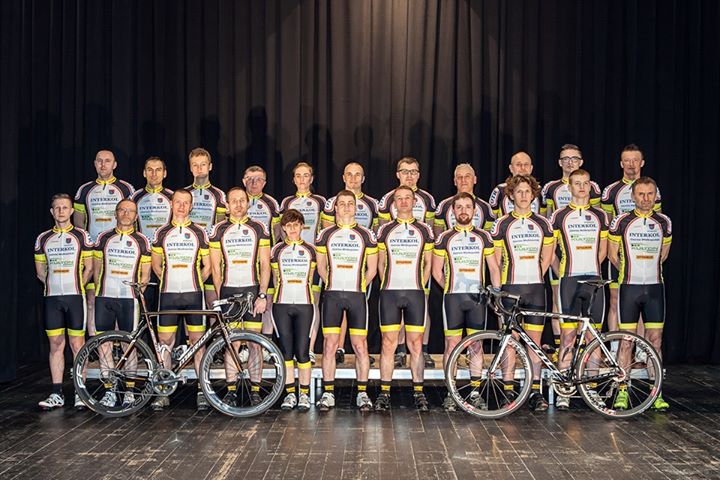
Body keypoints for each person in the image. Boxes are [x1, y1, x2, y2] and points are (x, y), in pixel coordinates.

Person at [491, 175, 555, 412]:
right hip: (511, 289)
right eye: (519, 191)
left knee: (534, 343)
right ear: (511, 195)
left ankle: (535, 391)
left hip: (535, 288)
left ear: (534, 194)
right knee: (510, 342)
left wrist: (535, 276)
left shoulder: (543, 223)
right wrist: (499, 291)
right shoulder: (502, 224)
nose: (524, 195)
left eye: (528, 191)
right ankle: (508, 390)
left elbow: (547, 258)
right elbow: (496, 262)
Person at [432, 192, 501, 411]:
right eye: (459, 207)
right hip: (453, 298)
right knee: (451, 345)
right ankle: (451, 393)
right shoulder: (444, 238)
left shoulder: (484, 237)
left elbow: (494, 268)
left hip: (477, 299)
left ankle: (475, 392)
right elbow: (436, 271)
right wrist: (450, 287)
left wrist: (496, 293)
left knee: (476, 345)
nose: (463, 211)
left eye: (467, 207)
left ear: (474, 211)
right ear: (453, 211)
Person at [608, 177, 672, 412]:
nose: (646, 199)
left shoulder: (664, 222)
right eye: (641, 194)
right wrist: (630, 271)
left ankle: (657, 393)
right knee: (627, 341)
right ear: (633, 196)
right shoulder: (621, 221)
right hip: (629, 287)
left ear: (656, 196)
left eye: (650, 194)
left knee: (656, 341)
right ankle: (622, 390)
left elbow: (663, 255)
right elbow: (612, 255)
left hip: (655, 288)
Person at [549, 169, 608, 410]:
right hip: (569, 281)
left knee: (594, 337)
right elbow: (550, 251)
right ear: (569, 187)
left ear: (590, 187)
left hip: (594, 280)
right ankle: (565, 389)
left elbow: (603, 250)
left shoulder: (601, 216)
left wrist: (592, 270)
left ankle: (592, 389)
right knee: (568, 336)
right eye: (577, 183)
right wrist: (561, 272)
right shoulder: (559, 216)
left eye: (585, 183)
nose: (582, 188)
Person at [315, 190, 378, 411]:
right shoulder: (325, 235)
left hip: (356, 295)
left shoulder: (367, 235)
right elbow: (321, 267)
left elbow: (373, 269)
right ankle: (328, 393)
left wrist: (359, 286)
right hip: (333, 295)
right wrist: (332, 283)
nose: (346, 207)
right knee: (330, 345)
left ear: (356, 207)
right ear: (336, 208)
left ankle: (362, 393)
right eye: (342, 203)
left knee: (360, 345)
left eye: (350, 203)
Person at [208, 187, 271, 407]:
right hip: (228, 291)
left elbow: (265, 265)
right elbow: (216, 269)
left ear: (248, 203)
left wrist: (262, 294)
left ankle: (256, 390)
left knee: (255, 344)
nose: (238, 204)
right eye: (233, 201)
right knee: (232, 343)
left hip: (252, 291)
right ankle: (231, 390)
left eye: (242, 200)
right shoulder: (218, 230)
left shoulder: (259, 228)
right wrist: (220, 297)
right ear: (227, 204)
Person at [150, 189, 212, 411]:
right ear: (171, 203)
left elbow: (208, 267)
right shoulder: (161, 232)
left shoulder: (199, 232)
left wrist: (194, 282)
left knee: (198, 343)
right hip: (168, 295)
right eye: (178, 202)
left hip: (193, 294)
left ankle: (202, 391)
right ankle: (164, 391)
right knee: (165, 343)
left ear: (191, 206)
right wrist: (170, 280)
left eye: (186, 203)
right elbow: (156, 265)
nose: (182, 207)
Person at [375, 186, 434, 412]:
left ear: (414, 201)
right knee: (388, 343)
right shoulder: (385, 230)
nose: (403, 202)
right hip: (390, 292)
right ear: (394, 203)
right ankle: (384, 392)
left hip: (415, 292)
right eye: (399, 199)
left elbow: (428, 264)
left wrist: (420, 285)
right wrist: (386, 284)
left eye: (407, 198)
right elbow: (381, 263)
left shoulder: (425, 230)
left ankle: (419, 392)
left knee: (416, 344)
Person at [34, 194, 93, 410]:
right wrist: (54, 286)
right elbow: (40, 272)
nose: (61, 211)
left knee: (78, 345)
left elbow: (89, 268)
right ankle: (56, 393)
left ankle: (80, 392)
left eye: (65, 207)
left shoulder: (81, 236)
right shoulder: (43, 238)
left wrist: (76, 286)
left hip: (75, 297)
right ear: (52, 212)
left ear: (71, 211)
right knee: (56, 345)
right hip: (52, 298)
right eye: (57, 208)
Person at [541, 144, 601, 353]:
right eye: (565, 159)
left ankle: (583, 349)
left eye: (574, 158)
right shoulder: (550, 188)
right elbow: (547, 218)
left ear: (581, 161)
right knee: (558, 297)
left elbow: (596, 223)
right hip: (561, 248)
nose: (570, 162)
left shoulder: (593, 188)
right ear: (560, 163)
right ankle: (562, 347)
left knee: (587, 308)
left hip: (584, 249)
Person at [377, 157, 437, 368]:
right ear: (398, 174)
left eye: (413, 172)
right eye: (405, 171)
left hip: (418, 264)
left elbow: (430, 230)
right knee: (396, 313)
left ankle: (424, 350)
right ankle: (400, 350)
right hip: (395, 266)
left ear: (419, 175)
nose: (409, 176)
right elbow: (383, 232)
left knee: (422, 308)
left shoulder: (428, 199)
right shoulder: (387, 200)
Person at [93, 199, 152, 408]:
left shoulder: (142, 241)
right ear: (116, 213)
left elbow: (145, 275)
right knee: (105, 345)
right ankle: (109, 390)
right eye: (122, 210)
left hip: (129, 298)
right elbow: (96, 271)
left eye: (130, 211)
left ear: (136, 216)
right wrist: (99, 292)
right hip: (105, 297)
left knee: (130, 344)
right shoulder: (103, 238)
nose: (126, 214)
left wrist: (136, 294)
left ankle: (129, 391)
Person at [320, 162, 379, 365]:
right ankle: (339, 347)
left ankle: (355, 349)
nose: (353, 179)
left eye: (357, 175)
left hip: (359, 266)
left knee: (357, 310)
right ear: (343, 177)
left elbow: (374, 233)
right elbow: (330, 233)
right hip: (336, 266)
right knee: (335, 308)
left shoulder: (372, 203)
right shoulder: (331, 203)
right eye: (349, 175)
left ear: (363, 178)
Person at [602, 144, 662, 332]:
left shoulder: (654, 190)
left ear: (642, 162)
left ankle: (641, 347)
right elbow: (607, 223)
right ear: (621, 164)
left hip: (644, 254)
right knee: (615, 299)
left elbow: (658, 222)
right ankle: (615, 344)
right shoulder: (611, 191)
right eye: (627, 160)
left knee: (643, 302)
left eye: (635, 160)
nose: (631, 164)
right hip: (620, 255)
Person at [74, 150, 135, 335]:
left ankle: (118, 343)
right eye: (99, 161)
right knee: (92, 298)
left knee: (117, 298)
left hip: (119, 253)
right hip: (93, 252)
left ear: (114, 165)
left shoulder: (126, 189)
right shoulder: (85, 190)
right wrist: (86, 248)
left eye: (107, 161)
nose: (103, 164)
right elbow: (79, 224)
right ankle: (96, 342)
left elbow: (131, 217)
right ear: (94, 164)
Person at [279, 162, 326, 363]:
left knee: (312, 302)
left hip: (312, 260)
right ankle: (289, 349)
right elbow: (281, 231)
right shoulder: (286, 202)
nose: (302, 179)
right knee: (287, 302)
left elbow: (325, 232)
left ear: (311, 178)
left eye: (306, 175)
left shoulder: (320, 202)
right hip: (290, 261)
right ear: (293, 179)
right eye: (298, 175)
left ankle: (310, 347)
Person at [270, 210, 317, 412]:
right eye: (288, 226)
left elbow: (312, 278)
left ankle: (304, 394)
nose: (292, 229)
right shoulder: (276, 250)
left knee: (303, 352)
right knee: (286, 351)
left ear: (302, 226)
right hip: (281, 304)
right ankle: (290, 394)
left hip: (305, 304)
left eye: (296, 225)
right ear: (283, 228)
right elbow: (275, 278)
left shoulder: (311, 250)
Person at [185, 148, 228, 320]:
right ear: (190, 168)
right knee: (189, 307)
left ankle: (214, 338)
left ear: (210, 166)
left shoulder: (219, 195)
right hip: (188, 252)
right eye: (195, 165)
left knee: (213, 305)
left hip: (211, 254)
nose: (199, 168)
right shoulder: (184, 194)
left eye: (203, 164)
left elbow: (220, 227)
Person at [242, 165, 282, 352]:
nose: (254, 183)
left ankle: (265, 346)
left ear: (264, 183)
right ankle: (244, 346)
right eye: (250, 179)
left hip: (265, 259)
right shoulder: (237, 200)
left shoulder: (271, 204)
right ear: (244, 181)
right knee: (244, 303)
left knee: (267, 303)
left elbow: (276, 232)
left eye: (258, 179)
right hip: (243, 262)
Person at [434, 163, 495, 235]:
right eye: (459, 177)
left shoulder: (486, 208)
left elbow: (488, 237)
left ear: (475, 180)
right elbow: (438, 237)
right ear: (455, 181)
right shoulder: (443, 206)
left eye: (467, 176)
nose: (463, 180)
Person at [130, 156, 173, 242]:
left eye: (158, 170)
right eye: (150, 170)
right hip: (142, 247)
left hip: (165, 247)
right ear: (144, 173)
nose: (154, 174)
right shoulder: (135, 197)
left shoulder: (172, 197)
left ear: (164, 173)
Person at [488, 151, 543, 216]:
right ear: (511, 168)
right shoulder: (499, 190)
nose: (523, 168)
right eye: (518, 164)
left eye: (526, 164)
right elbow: (492, 218)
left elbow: (544, 216)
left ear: (531, 168)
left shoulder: (540, 190)